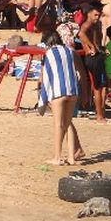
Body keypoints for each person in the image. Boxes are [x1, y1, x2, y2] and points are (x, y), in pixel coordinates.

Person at [37, 24, 86, 166]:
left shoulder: (48, 54)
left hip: (58, 92)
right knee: (68, 123)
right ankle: (71, 158)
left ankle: (57, 157)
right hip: (73, 91)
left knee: (58, 124)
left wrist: (44, 96)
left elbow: (45, 77)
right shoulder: (70, 51)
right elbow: (79, 73)